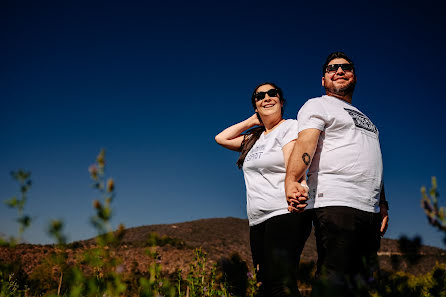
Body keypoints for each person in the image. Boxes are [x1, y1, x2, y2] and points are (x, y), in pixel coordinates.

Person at [285, 52, 389, 297]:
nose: (339, 71)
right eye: (333, 68)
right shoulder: (317, 104)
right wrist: (291, 180)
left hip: (370, 210)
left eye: (345, 67)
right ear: (323, 79)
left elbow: (373, 159)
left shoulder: (368, 120)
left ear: (354, 76)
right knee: (333, 280)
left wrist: (383, 203)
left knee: (360, 285)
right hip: (335, 200)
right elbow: (305, 144)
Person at [215, 82, 312, 297]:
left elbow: (292, 163)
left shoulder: (289, 127)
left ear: (281, 100)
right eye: (260, 96)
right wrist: (251, 121)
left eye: (272, 93)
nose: (266, 98)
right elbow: (221, 138)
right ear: (256, 106)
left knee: (280, 283)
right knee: (264, 284)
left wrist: (296, 187)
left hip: (284, 212)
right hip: (258, 220)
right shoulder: (254, 139)